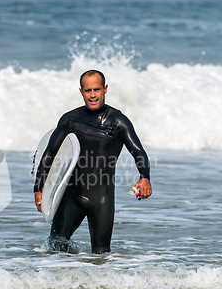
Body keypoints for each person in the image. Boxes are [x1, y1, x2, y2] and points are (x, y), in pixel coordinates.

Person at [34, 70, 152, 254]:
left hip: (102, 200)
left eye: (97, 89)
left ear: (105, 89)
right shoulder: (70, 120)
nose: (93, 95)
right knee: (55, 246)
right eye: (88, 90)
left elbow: (138, 152)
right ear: (81, 91)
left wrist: (144, 177)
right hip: (72, 195)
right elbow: (49, 154)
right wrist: (39, 189)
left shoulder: (118, 122)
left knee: (101, 255)